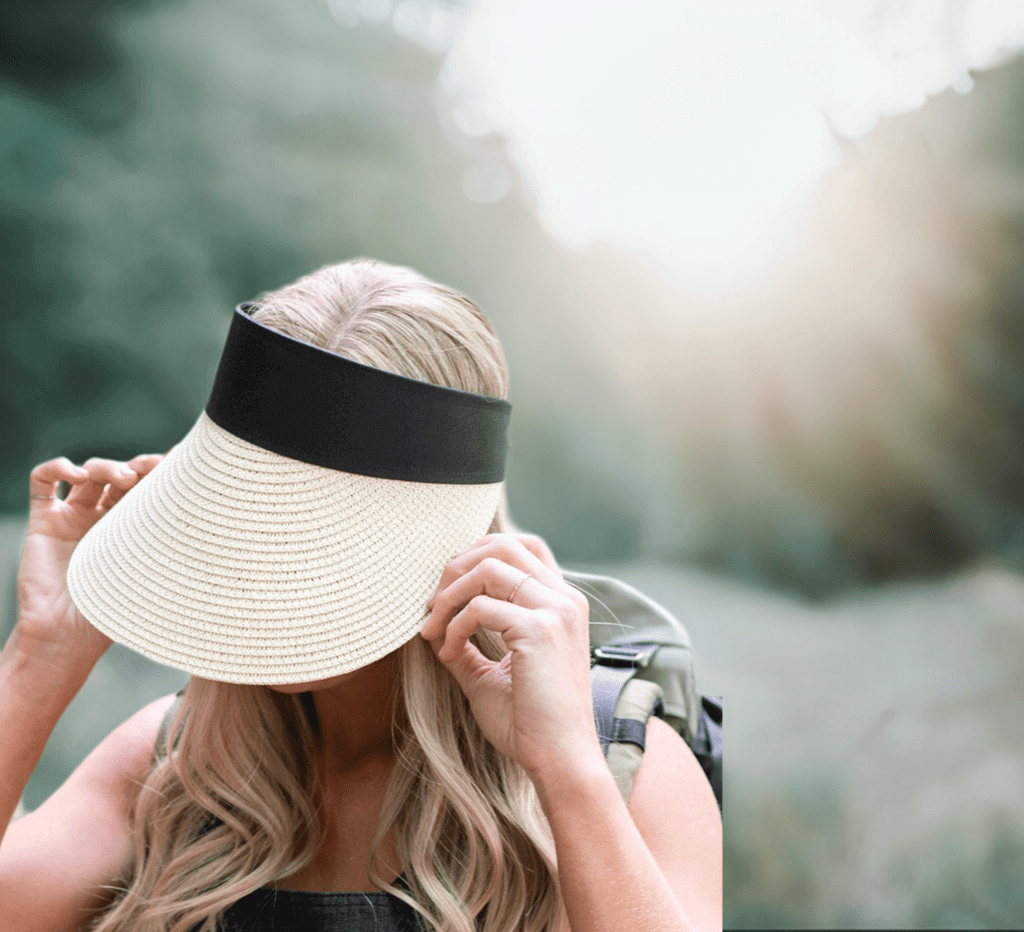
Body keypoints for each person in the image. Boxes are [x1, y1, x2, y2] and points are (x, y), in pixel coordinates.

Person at [0, 259, 722, 932]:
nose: (273, 568)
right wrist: (43, 654)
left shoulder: (622, 763)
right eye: (252, 518)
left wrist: (565, 769)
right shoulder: (180, 764)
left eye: (319, 537)